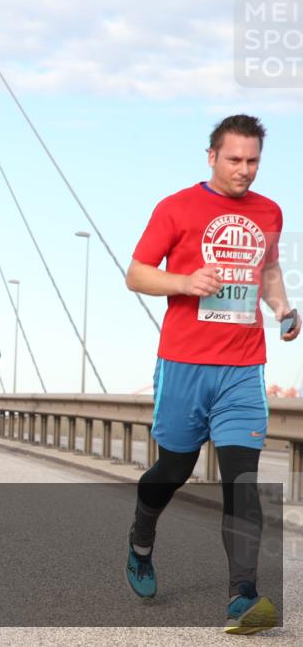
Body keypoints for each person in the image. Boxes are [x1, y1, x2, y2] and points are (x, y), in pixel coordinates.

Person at [123, 115, 298, 635]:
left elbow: (266, 269)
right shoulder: (176, 207)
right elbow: (136, 273)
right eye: (235, 160)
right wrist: (184, 280)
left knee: (243, 479)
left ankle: (242, 597)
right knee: (172, 468)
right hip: (184, 365)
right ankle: (141, 534)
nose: (245, 171)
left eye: (253, 161)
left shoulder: (269, 212)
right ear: (211, 156)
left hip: (243, 367)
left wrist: (284, 308)